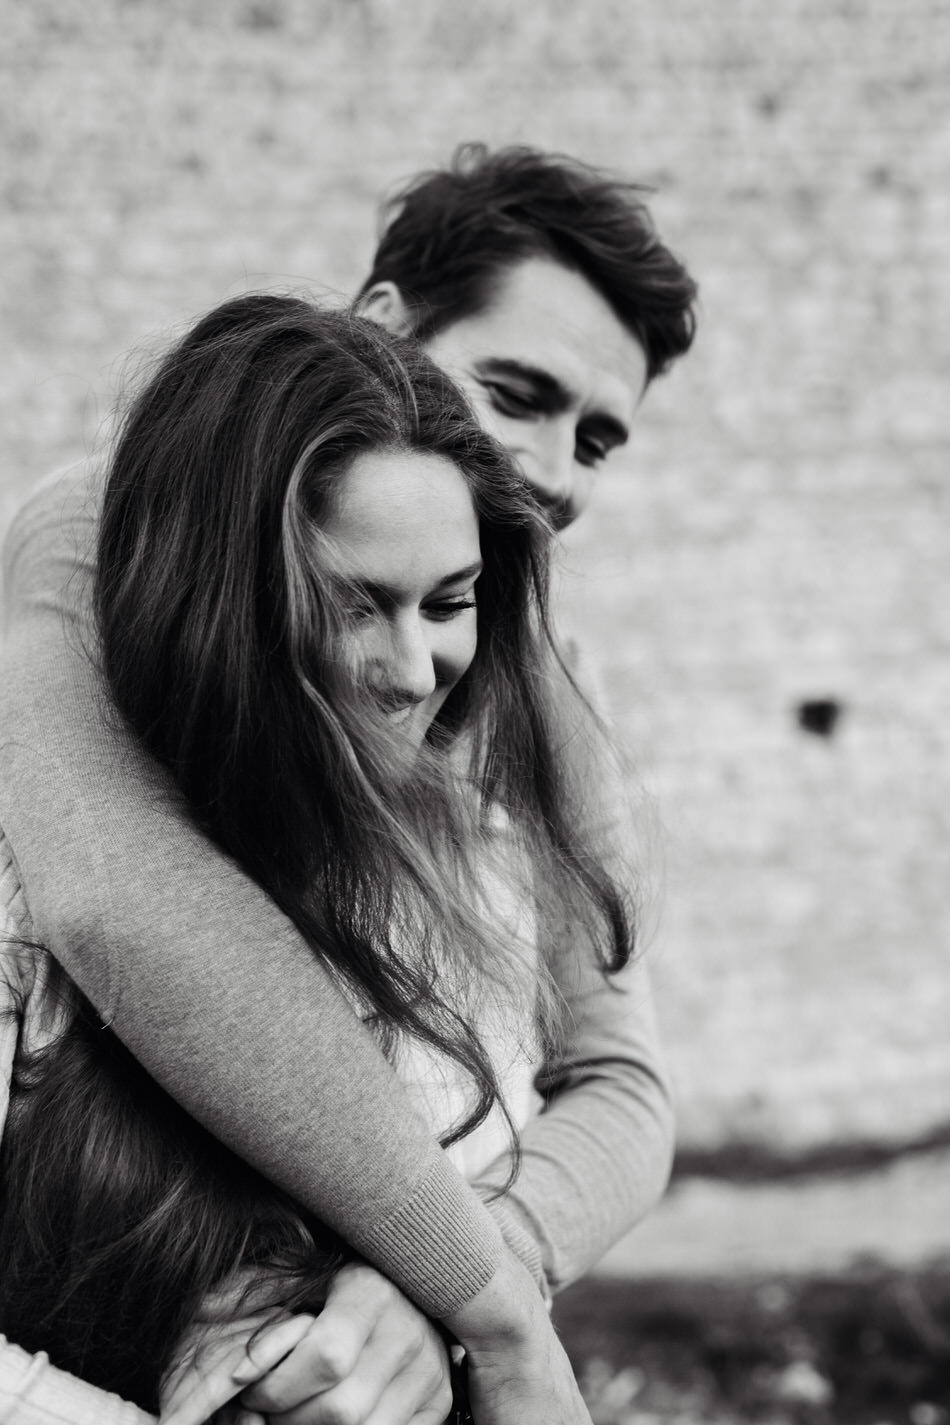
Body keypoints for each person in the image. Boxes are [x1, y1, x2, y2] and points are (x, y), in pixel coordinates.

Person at [0, 144, 697, 1422]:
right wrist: (481, 1300)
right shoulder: (106, 533)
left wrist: (449, 1284)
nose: (548, 470)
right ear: (381, 326)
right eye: (515, 390)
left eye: (596, 437)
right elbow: (114, 897)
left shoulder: (539, 687)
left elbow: (620, 1084)